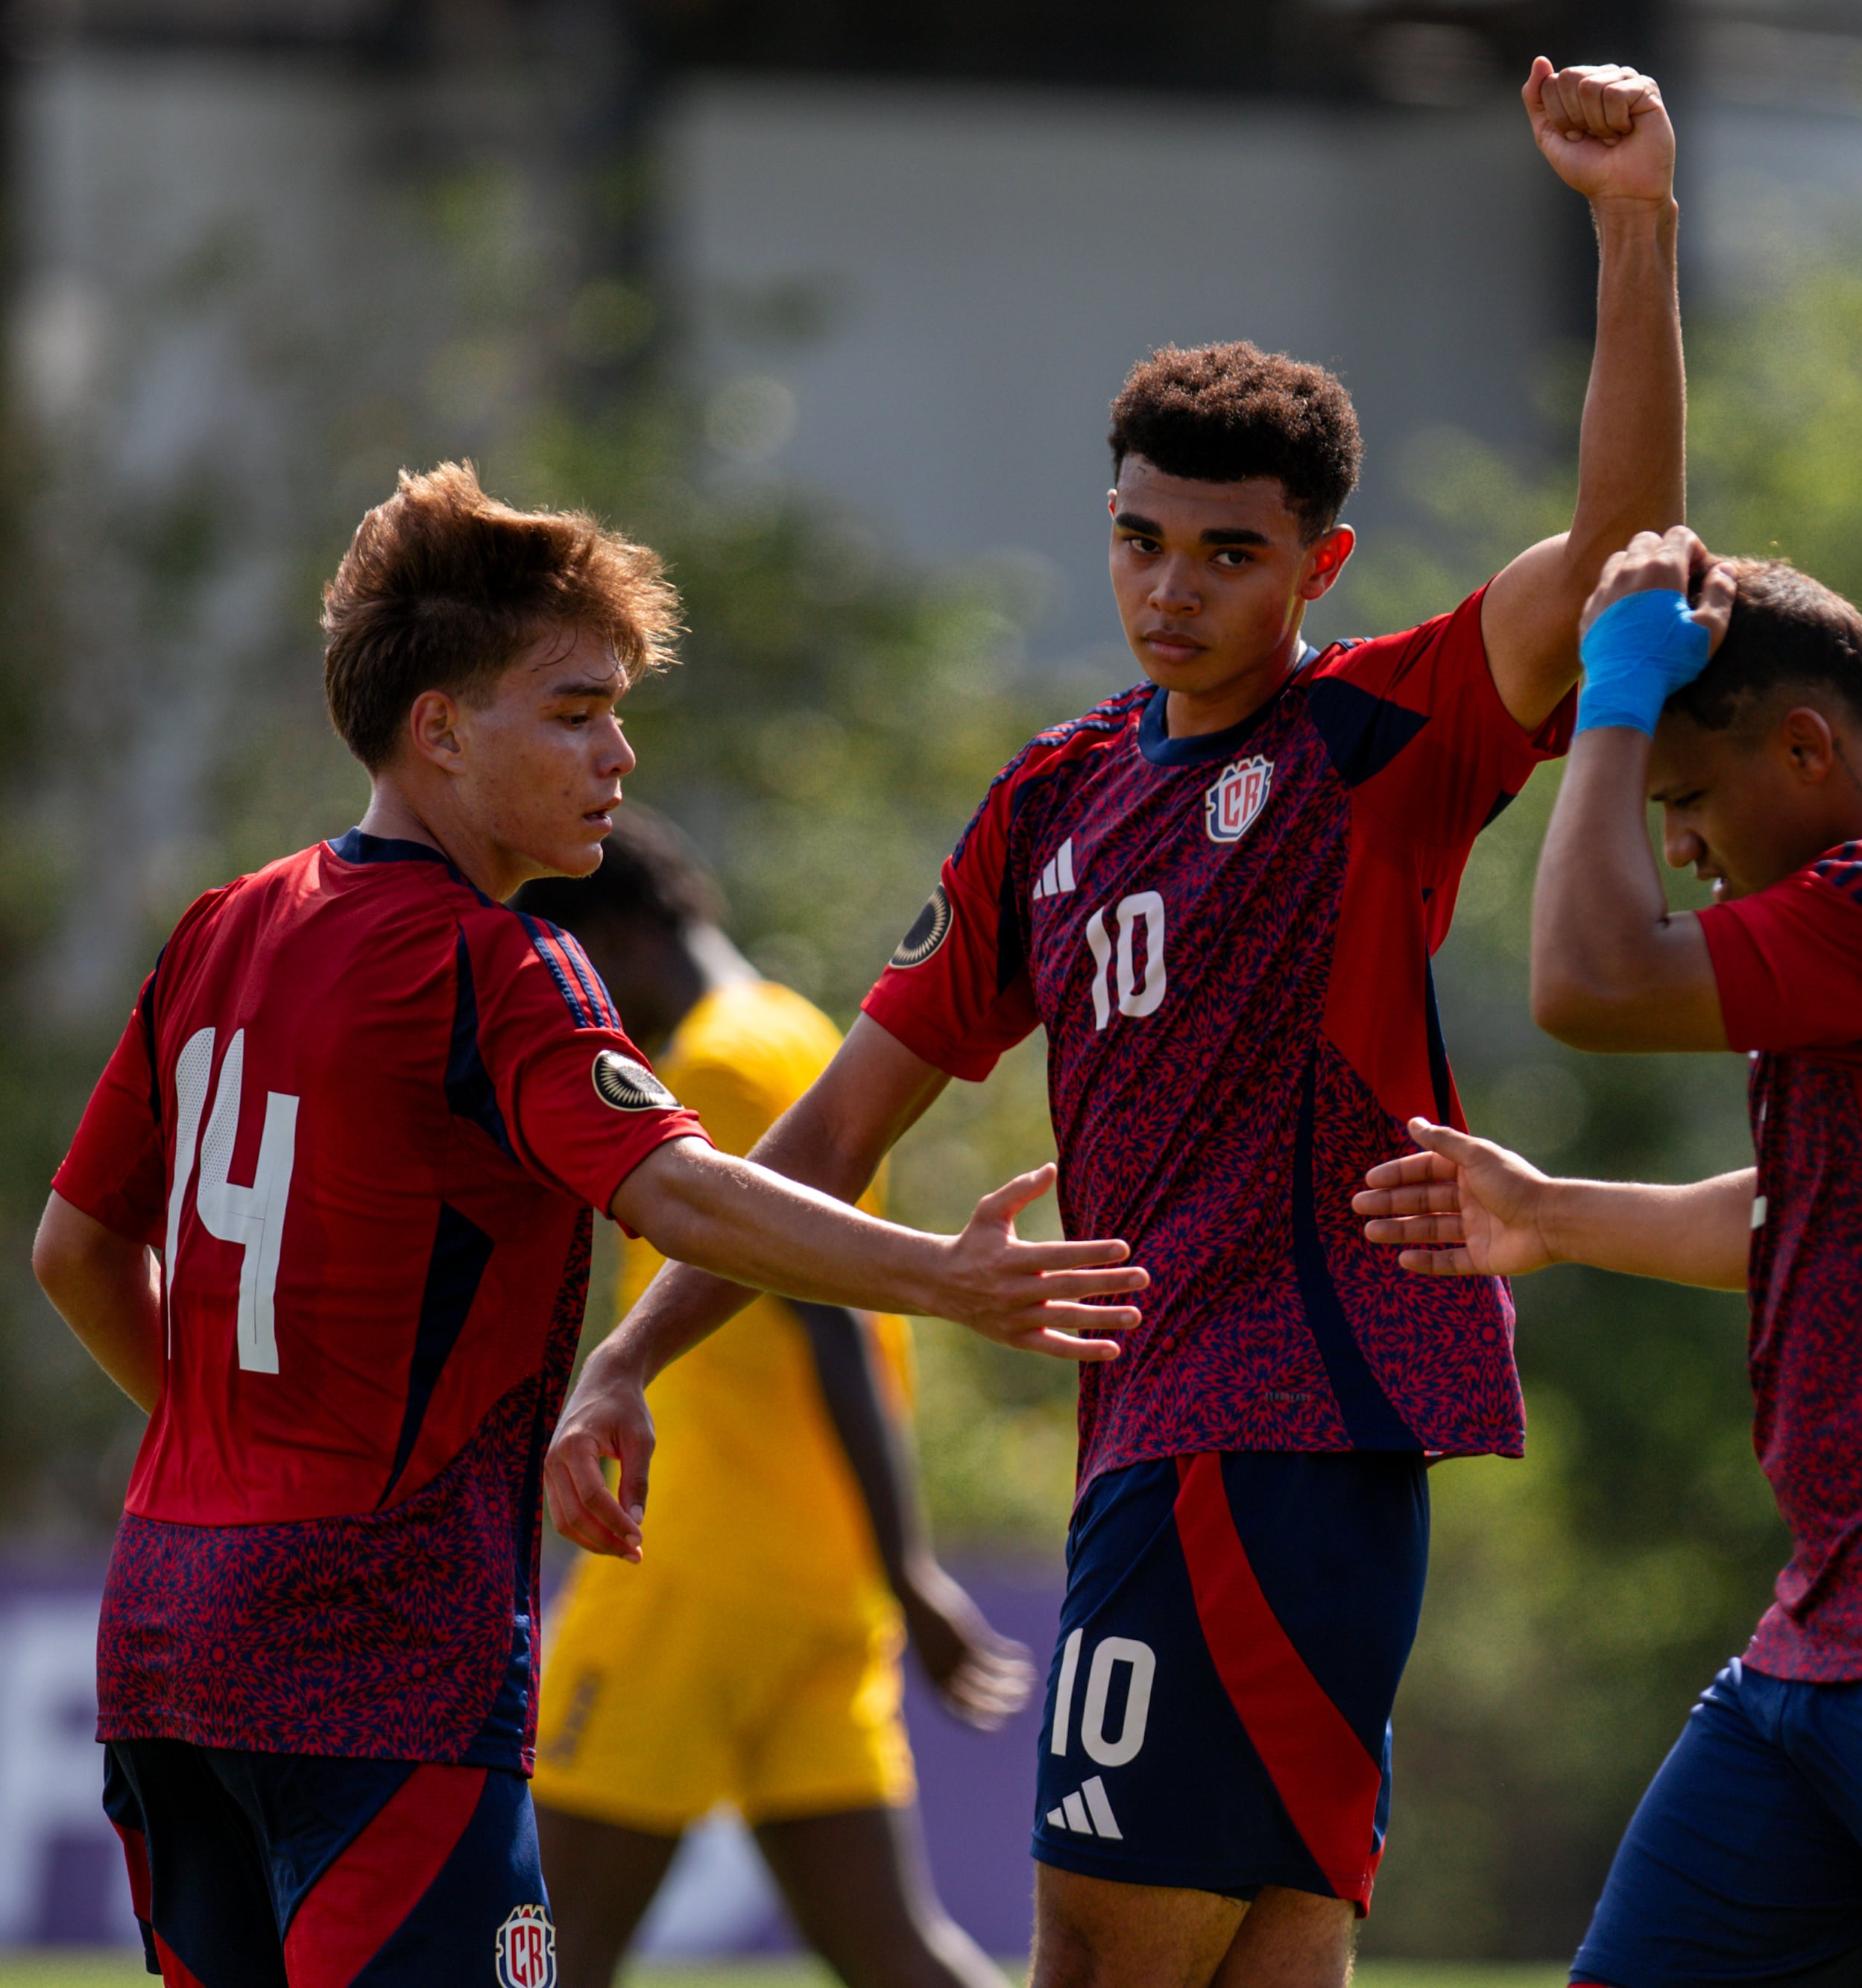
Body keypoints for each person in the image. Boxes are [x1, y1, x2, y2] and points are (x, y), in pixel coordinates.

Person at [544, 57, 1687, 1988]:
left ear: (1318, 568)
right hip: (1161, 1446)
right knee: (1265, 1973)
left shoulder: (1381, 742)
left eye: (1230, 553)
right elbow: (831, 1133)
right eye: (1143, 538)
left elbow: (1629, 559)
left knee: (1094, 1964)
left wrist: (1635, 225)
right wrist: (628, 1361)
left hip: (1278, 1433)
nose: (1173, 587)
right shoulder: (1049, 804)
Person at [29, 464, 1144, 1988]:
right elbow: (675, 1186)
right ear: (437, 727)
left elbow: (75, 1251)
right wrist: (943, 1278)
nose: (618, 752)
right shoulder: (500, 962)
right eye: (571, 711)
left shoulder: (221, 925)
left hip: (167, 1628)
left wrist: (233, 1439)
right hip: (380, 1651)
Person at [1354, 528, 1862, 1987]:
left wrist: (1610, 691)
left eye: (1684, 797)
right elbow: (1810, 1212)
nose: (1674, 845)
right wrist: (1551, 1214)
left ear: (1804, 747)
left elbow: (1587, 976)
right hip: (1827, 1637)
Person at [510, 810, 1014, 1988]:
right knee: (891, 1953)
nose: (582, 1022)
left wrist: (912, 1571)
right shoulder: (791, 1030)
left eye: (574, 980)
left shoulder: (715, 1071)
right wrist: (891, 1569)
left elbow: (824, 1322)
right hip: (813, 1581)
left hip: (692, 1569)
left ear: (627, 939)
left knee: (549, 1947)